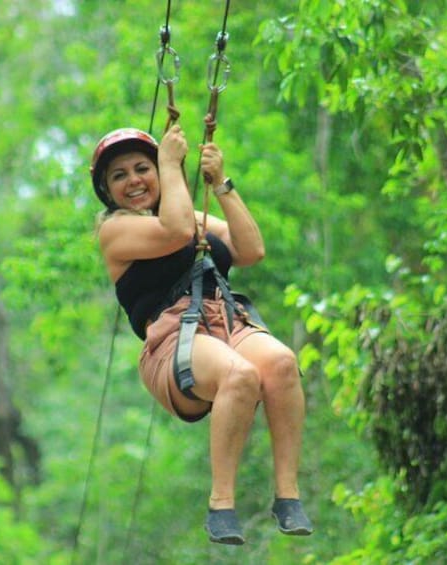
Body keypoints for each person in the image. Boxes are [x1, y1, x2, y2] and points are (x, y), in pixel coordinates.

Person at [90, 124, 313, 545]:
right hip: (173, 337)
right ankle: (222, 502)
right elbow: (173, 232)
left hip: (224, 318)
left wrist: (222, 185)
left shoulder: (192, 215)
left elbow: (250, 251)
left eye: (143, 168)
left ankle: (288, 494)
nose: (134, 181)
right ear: (107, 190)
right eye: (120, 176)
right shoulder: (115, 230)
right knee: (239, 376)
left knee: (282, 363)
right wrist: (170, 165)